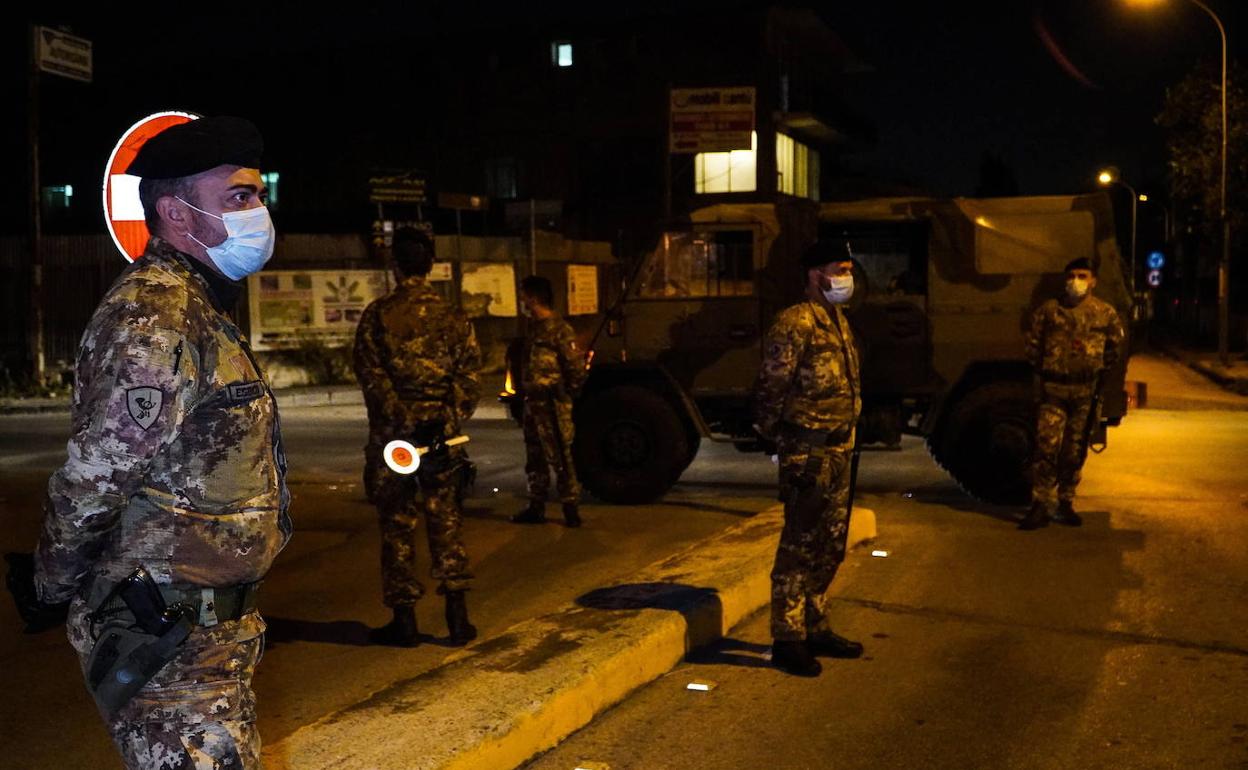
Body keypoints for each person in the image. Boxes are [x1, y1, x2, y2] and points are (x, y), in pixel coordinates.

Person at [15, 116, 290, 769]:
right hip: (166, 633)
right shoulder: (157, 313)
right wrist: (50, 584)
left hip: (210, 634)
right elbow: (96, 476)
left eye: (258, 196)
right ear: (177, 212)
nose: (260, 212)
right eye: (240, 197)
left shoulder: (197, 305)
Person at [353, 227, 481, 647]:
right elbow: (468, 376)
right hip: (442, 439)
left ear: (395, 265)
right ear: (430, 264)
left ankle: (404, 622)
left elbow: (372, 377)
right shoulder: (454, 317)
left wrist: (403, 421)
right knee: (446, 521)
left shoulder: (377, 315)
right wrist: (444, 421)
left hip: (395, 442)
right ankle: (458, 619)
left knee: (397, 525)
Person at [753, 240, 864, 677]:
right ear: (816, 274)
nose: (847, 277)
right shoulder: (795, 322)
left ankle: (816, 626)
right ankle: (788, 638)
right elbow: (771, 386)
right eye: (840, 268)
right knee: (799, 545)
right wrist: (778, 438)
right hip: (809, 449)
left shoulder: (838, 319)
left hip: (841, 445)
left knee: (830, 544)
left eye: (848, 269)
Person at [1019, 257, 1125, 531]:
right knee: (1047, 447)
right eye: (1071, 276)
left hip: (1084, 393)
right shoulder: (1050, 311)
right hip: (1054, 390)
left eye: (1082, 275)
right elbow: (1033, 347)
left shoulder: (1105, 313)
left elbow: (1114, 349)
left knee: (1074, 450)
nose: (1076, 281)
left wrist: (1093, 373)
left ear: (1093, 281)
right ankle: (1040, 504)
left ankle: (1065, 502)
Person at [510, 275, 588, 527]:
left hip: (552, 405)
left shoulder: (560, 329)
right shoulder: (532, 329)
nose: (521, 300)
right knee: (535, 456)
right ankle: (536, 505)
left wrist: (565, 395)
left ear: (533, 297)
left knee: (561, 457)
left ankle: (570, 507)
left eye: (523, 294)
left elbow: (575, 368)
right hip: (533, 404)